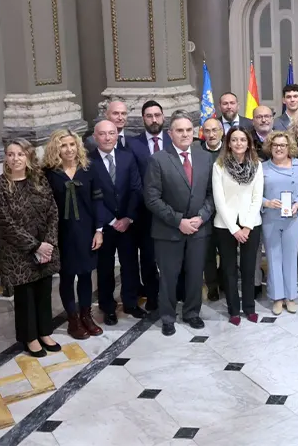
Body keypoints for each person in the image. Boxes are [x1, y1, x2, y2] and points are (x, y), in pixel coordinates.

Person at [143, 111, 216, 336]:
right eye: (179, 130)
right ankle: (167, 316)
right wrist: (179, 221)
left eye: (188, 130)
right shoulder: (158, 159)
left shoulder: (205, 157)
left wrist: (202, 216)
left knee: (195, 274)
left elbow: (212, 194)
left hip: (199, 228)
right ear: (170, 133)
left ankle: (192, 313)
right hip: (169, 231)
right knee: (169, 276)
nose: (185, 134)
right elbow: (152, 198)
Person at [0, 140, 61, 356]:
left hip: (45, 247)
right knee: (26, 297)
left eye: (20, 154)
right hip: (18, 252)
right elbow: (5, 224)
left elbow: (52, 211)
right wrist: (35, 246)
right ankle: (30, 337)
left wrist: (47, 243)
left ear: (28, 156)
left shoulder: (39, 179)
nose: (15, 159)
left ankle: (45, 332)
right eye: (10, 154)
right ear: (6, 158)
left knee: (44, 292)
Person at [43, 129, 106, 340]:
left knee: (87, 275)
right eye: (63, 145)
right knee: (67, 276)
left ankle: (86, 315)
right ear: (56, 148)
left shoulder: (89, 169)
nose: (69, 149)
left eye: (72, 144)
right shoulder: (49, 173)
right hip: (62, 232)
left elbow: (98, 201)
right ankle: (73, 319)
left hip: (87, 230)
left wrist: (99, 230)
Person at [89, 120, 147, 325]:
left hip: (128, 223)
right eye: (103, 134)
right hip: (104, 225)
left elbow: (136, 188)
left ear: (117, 135)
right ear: (95, 137)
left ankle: (130, 303)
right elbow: (91, 197)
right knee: (105, 268)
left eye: (111, 133)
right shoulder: (88, 161)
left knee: (130, 264)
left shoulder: (127, 157)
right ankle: (108, 307)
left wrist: (127, 218)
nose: (107, 138)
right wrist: (112, 220)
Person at [212, 127, 264, 325]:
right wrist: (234, 229)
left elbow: (257, 197)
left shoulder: (257, 165)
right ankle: (234, 310)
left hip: (251, 224)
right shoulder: (219, 165)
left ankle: (249, 308)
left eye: (243, 139)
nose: (239, 143)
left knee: (249, 268)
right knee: (229, 269)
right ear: (229, 143)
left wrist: (247, 227)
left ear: (249, 142)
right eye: (235, 140)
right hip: (225, 225)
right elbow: (219, 200)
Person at [127, 100, 171, 311]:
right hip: (145, 212)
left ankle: (175, 292)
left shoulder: (174, 140)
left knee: (173, 254)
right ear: (143, 119)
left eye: (157, 115)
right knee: (148, 256)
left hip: (173, 210)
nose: (154, 120)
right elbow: (133, 179)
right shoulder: (133, 144)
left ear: (163, 117)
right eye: (149, 116)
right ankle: (152, 296)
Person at [262, 131, 298, 314]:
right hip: (271, 218)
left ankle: (291, 296)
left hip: (292, 218)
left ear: (289, 147)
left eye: (283, 145)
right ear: (270, 147)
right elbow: (255, 194)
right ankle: (277, 297)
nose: (279, 148)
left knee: (290, 257)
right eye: (275, 145)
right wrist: (267, 202)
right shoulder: (263, 167)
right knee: (274, 257)